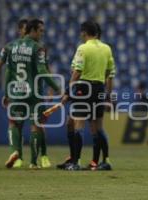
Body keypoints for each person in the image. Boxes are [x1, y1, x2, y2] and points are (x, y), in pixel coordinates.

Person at [0, 19, 59, 169]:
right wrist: (57, 88)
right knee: (36, 125)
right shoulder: (38, 48)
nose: (42, 34)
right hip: (34, 93)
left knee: (14, 124)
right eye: (40, 31)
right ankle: (33, 162)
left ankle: (16, 154)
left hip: (17, 93)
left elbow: (1, 67)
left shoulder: (9, 47)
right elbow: (43, 70)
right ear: (31, 30)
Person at [56, 22, 115, 171]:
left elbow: (77, 72)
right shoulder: (106, 48)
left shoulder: (83, 48)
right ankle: (104, 161)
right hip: (99, 88)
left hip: (84, 88)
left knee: (78, 125)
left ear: (84, 33)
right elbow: (109, 73)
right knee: (98, 128)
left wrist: (68, 92)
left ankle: (76, 162)